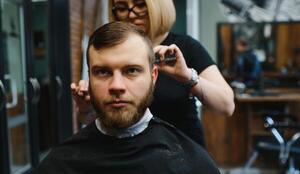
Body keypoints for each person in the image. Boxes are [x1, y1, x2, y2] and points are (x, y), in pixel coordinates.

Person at [18, 22, 235, 174]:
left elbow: (226, 104)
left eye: (131, 71)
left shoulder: (190, 164)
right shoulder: (60, 167)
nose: (117, 86)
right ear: (89, 80)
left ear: (153, 77)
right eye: (102, 72)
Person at [71, 0, 235, 147]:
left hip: (182, 154)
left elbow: (226, 106)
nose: (131, 14)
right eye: (121, 7)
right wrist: (86, 109)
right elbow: (95, 120)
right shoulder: (114, 52)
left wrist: (187, 76)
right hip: (129, 154)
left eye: (140, 5)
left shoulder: (186, 48)